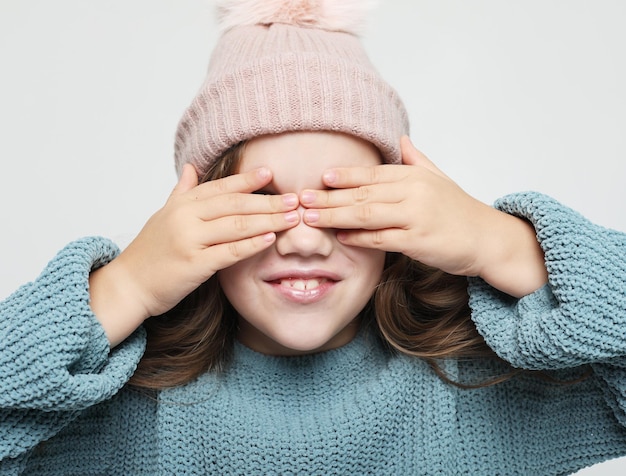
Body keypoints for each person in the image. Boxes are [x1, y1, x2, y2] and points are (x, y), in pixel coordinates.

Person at [1, 1, 625, 474]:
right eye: (260, 204)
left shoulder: (482, 391)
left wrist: (505, 246)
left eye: (344, 200)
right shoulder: (122, 414)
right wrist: (127, 286)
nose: (304, 241)